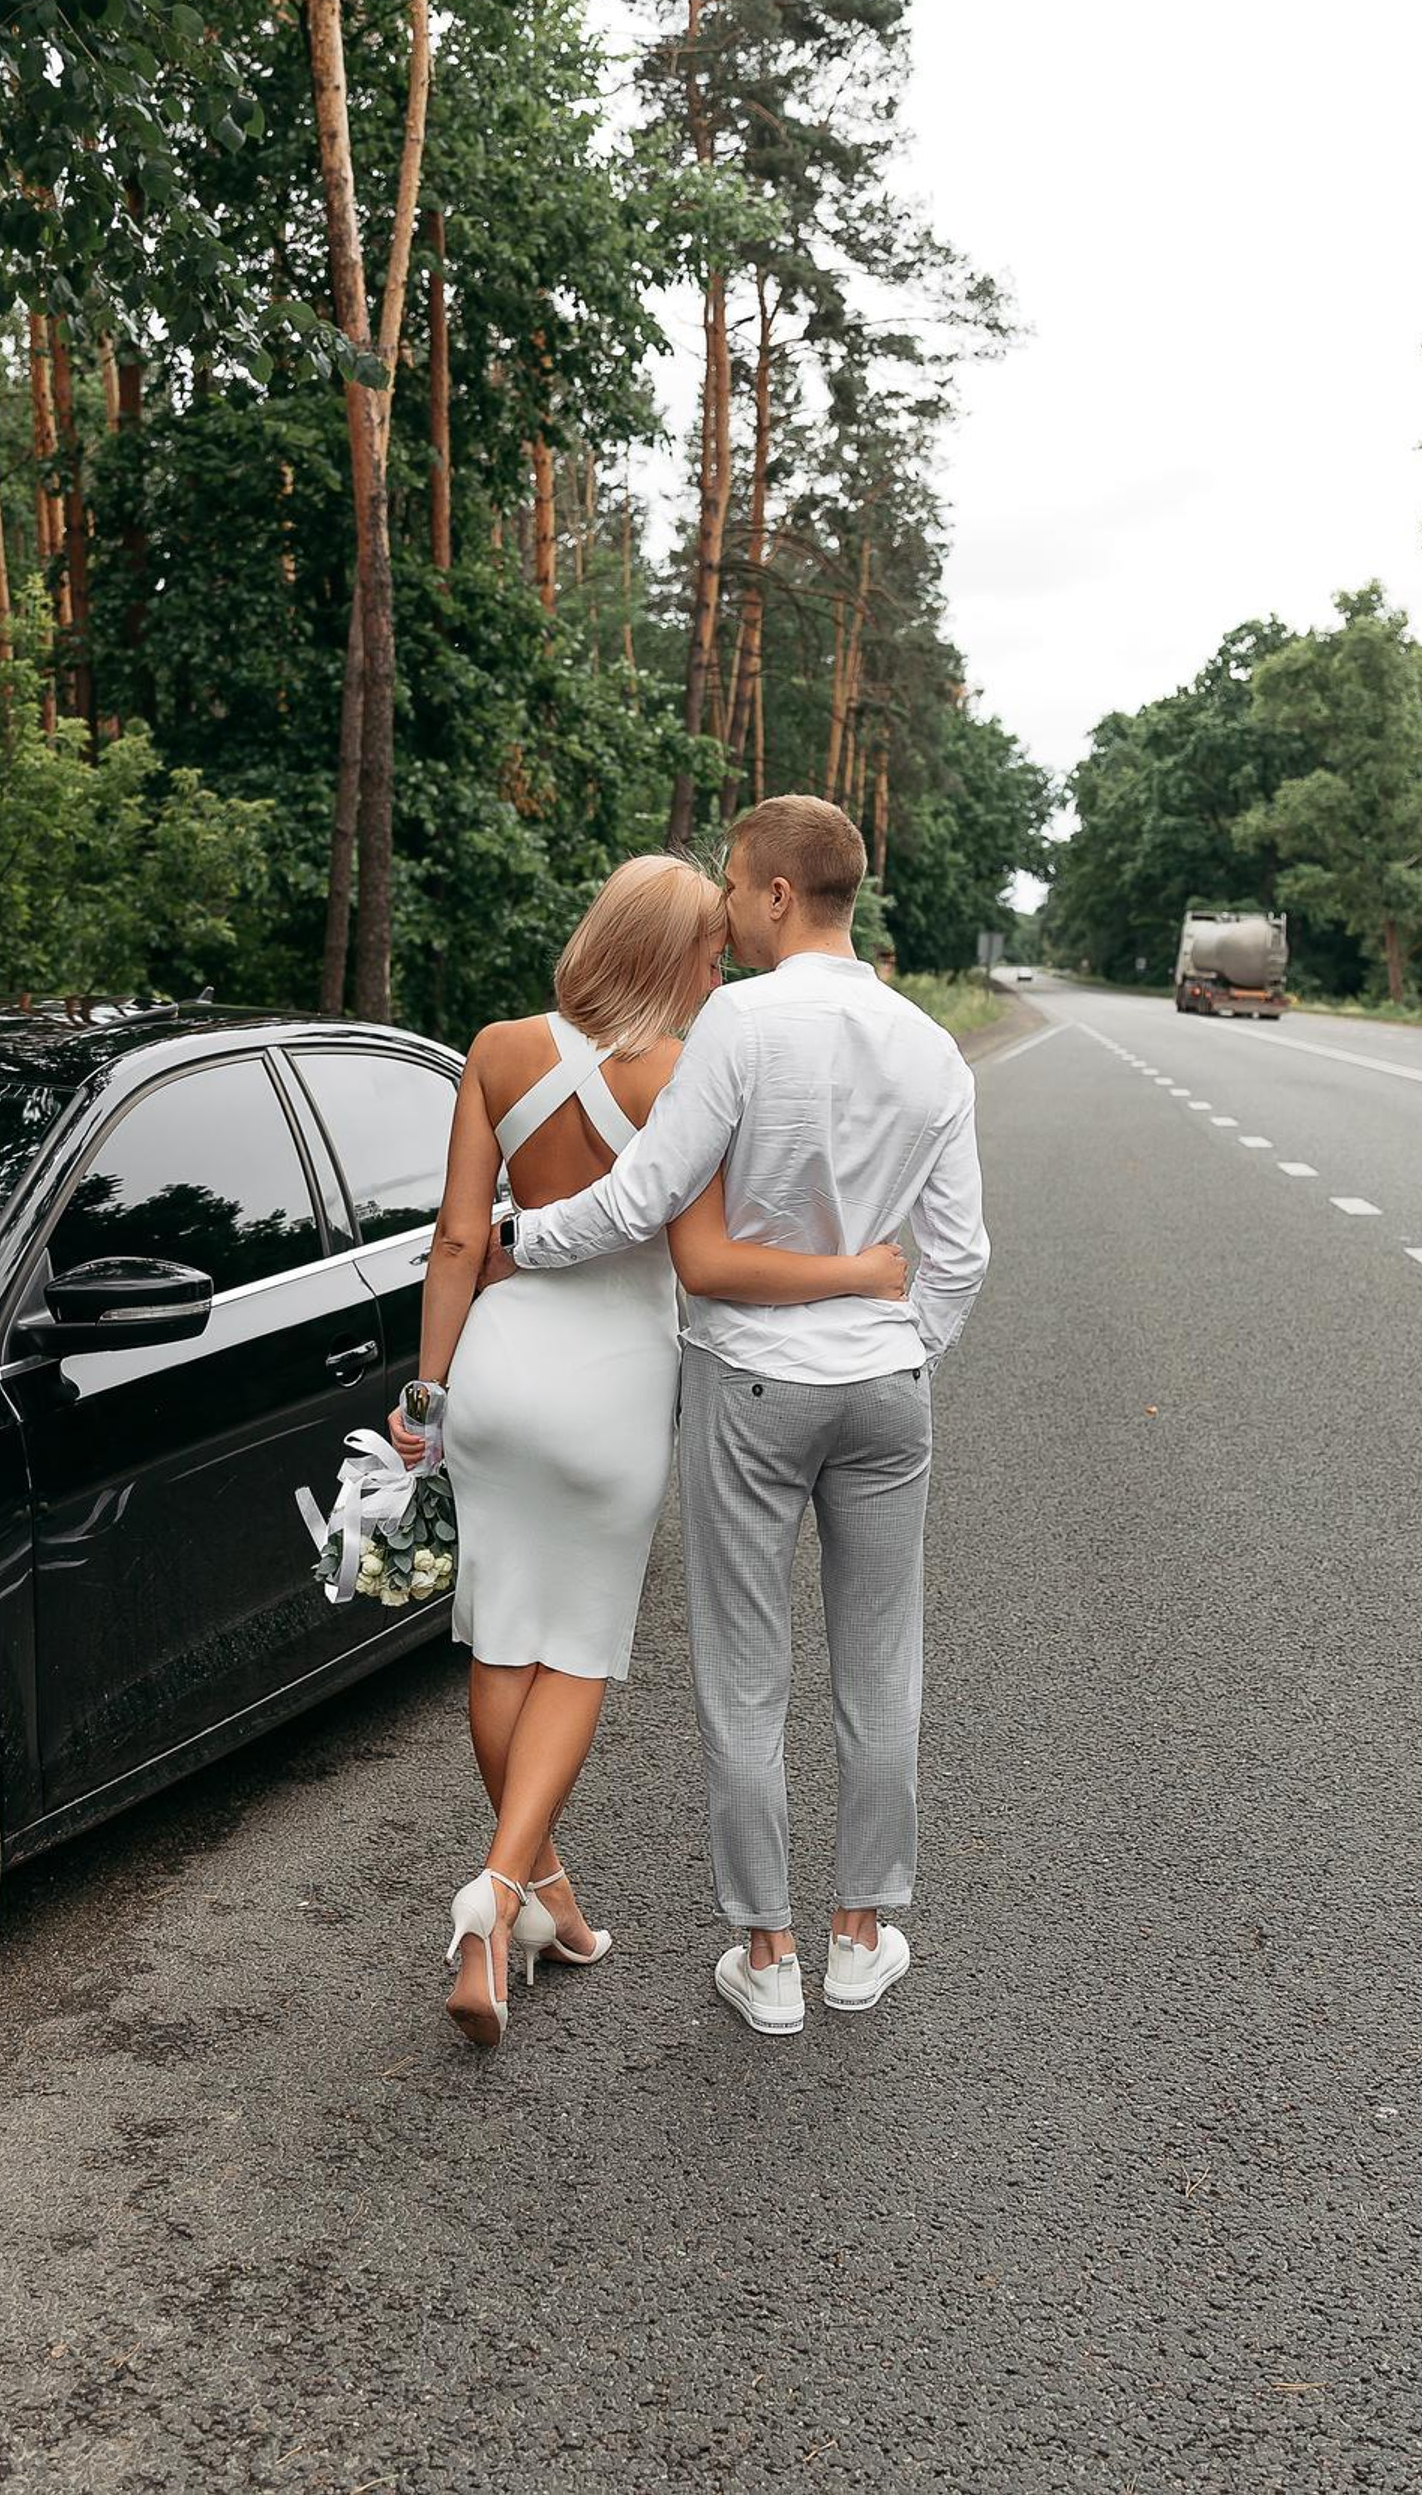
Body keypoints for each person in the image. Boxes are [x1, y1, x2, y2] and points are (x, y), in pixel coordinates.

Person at [396, 854, 909, 2050]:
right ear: (672, 954)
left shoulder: (495, 1049)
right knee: (575, 1651)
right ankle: (494, 1901)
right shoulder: (687, 1072)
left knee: (498, 1632)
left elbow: (461, 1241)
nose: (721, 964)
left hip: (494, 1367)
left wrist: (427, 1391)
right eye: (709, 950)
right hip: (615, 1382)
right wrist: (858, 1274)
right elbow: (702, 1259)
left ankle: (544, 1905)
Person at [509, 796, 988, 2037]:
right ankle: (859, 1936)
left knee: (744, 1672)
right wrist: (896, 1344)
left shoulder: (738, 1020)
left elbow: (643, 1197)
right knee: (882, 1668)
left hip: (753, 1384)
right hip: (885, 1386)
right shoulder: (931, 1046)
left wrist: (524, 1239)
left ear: (777, 895)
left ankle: (767, 1957)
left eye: (730, 882)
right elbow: (961, 1254)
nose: (721, 903)